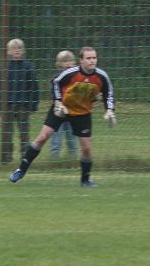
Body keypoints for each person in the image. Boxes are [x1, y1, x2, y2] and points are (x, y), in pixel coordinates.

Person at [9, 47, 115, 187]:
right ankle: (21, 170)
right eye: (88, 58)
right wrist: (58, 102)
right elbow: (55, 82)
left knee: (86, 148)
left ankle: (85, 180)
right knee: (42, 137)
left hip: (82, 113)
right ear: (81, 60)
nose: (92, 61)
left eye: (94, 58)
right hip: (62, 109)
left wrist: (109, 110)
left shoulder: (101, 76)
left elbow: (109, 93)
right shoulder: (71, 73)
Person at [0, 38, 39, 164]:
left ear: (23, 50)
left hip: (23, 106)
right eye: (14, 48)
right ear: (8, 52)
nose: (17, 51)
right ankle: (6, 158)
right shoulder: (4, 66)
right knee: (6, 134)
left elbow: (34, 88)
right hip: (6, 106)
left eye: (19, 48)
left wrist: (33, 106)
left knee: (24, 134)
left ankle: (25, 158)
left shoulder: (29, 67)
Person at [48, 50, 79, 159]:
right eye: (64, 61)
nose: (67, 63)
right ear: (59, 64)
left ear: (74, 63)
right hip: (59, 113)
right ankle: (54, 158)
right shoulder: (55, 79)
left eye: (70, 60)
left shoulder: (77, 78)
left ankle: (73, 158)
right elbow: (54, 95)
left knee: (72, 138)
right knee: (56, 138)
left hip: (72, 113)